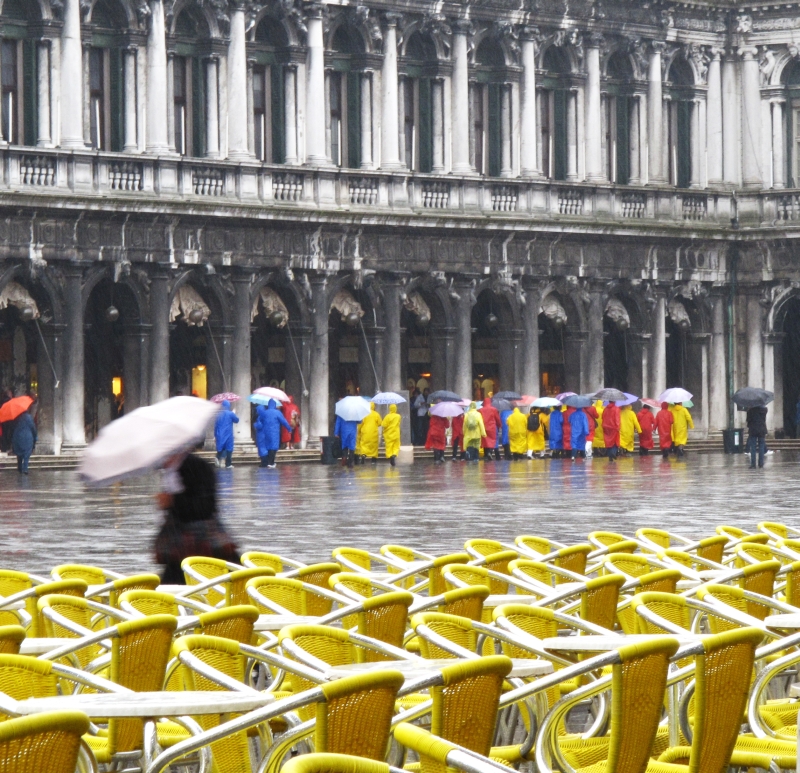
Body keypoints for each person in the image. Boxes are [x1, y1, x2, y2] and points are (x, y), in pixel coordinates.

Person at [154, 451, 238, 584]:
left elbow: (205, 507)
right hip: (179, 545)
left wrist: (172, 501)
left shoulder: (197, 466)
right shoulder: (170, 472)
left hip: (200, 543)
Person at [253, 399, 292, 468]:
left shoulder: (265, 412)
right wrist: (289, 428)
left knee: (267, 447)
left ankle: (268, 462)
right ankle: (271, 462)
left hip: (265, 432)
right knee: (273, 447)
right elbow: (284, 421)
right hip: (274, 432)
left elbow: (259, 421)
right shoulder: (277, 412)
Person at [213, 400, 239, 468]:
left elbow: (215, 426)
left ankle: (218, 457)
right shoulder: (230, 413)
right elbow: (236, 420)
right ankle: (228, 463)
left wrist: (215, 435)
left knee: (221, 447)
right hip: (228, 433)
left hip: (220, 434)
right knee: (229, 448)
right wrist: (234, 413)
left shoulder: (218, 415)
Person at [11, 404, 36, 474]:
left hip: (17, 436)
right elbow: (33, 428)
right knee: (26, 454)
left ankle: (19, 467)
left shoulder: (16, 418)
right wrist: (35, 437)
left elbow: (12, 428)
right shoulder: (29, 417)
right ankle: (25, 468)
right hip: (27, 437)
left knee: (19, 453)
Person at [479, 396, 502, 461]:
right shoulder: (494, 409)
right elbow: (497, 419)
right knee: (492, 441)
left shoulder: (480, 410)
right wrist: (499, 425)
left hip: (483, 427)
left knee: (485, 441)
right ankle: (490, 452)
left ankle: (486, 454)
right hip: (492, 427)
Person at [746, 404, 768, 469]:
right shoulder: (764, 410)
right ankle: (761, 464)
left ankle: (753, 464)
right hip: (762, 429)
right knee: (761, 447)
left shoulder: (750, 411)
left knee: (753, 447)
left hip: (753, 430)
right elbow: (763, 420)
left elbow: (748, 420)